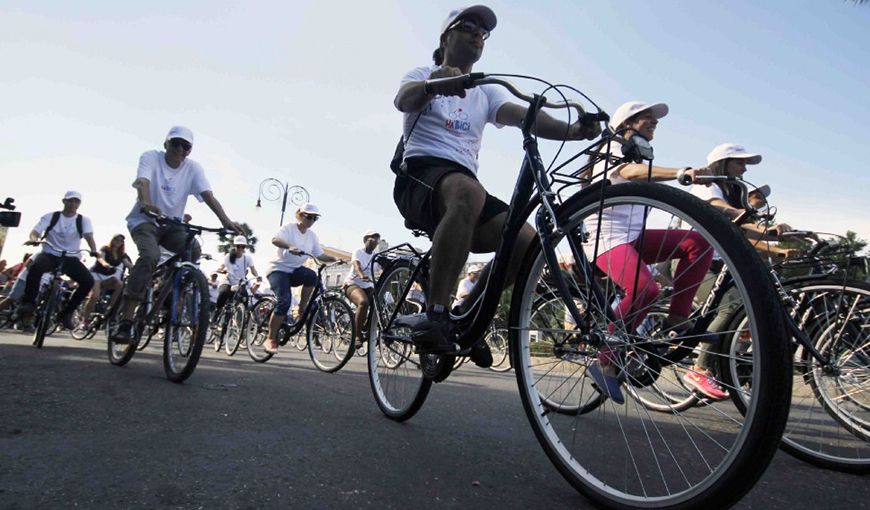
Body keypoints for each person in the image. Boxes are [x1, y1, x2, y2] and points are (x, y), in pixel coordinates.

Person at [392, 5, 600, 367]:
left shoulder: (485, 92)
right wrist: (437, 84)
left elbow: (525, 117)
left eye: (483, 32)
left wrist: (574, 131)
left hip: (462, 187)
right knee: (468, 191)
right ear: (445, 38)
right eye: (468, 26)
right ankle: (436, 314)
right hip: (419, 176)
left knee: (528, 242)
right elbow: (403, 99)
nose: (477, 35)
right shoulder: (423, 73)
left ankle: (467, 315)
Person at [580, 101, 715, 403]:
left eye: (655, 120)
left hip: (634, 237)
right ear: (625, 125)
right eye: (646, 118)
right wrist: (682, 173)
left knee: (699, 241)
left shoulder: (638, 152)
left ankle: (678, 318)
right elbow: (630, 172)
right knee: (645, 289)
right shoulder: (612, 149)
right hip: (605, 239)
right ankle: (605, 361)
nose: (654, 123)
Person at [682, 143, 795, 400]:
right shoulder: (707, 185)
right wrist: (750, 217)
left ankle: (725, 363)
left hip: (719, 263)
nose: (744, 169)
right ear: (722, 164)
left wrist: (777, 234)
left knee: (749, 307)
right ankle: (699, 368)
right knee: (731, 307)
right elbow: (717, 206)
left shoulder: (733, 195)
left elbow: (747, 231)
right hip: (693, 260)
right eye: (739, 163)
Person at [111, 126, 243, 343]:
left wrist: (226, 221)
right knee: (149, 257)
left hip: (172, 225)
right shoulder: (151, 158)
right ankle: (126, 322)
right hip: (145, 220)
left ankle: (168, 292)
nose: (180, 149)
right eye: (176, 143)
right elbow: (143, 182)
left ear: (190, 151)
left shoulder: (193, 169)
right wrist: (146, 203)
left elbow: (208, 195)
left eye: (186, 146)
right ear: (166, 144)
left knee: (193, 249)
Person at [17, 191, 98, 330]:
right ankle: (28, 303)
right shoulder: (51, 217)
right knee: (36, 267)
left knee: (88, 281)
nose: (73, 204)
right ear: (64, 201)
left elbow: (89, 236)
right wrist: (34, 239)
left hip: (71, 258)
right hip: (50, 254)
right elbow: (35, 231)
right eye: (70, 201)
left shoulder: (83, 220)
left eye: (76, 202)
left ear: (79, 204)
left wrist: (93, 250)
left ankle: (66, 313)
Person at [263, 203, 337, 354]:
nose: (311, 220)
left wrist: (335, 259)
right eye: (308, 216)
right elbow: (275, 239)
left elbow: (320, 255)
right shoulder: (289, 228)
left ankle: (302, 308)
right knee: (284, 301)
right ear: (300, 215)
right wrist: (290, 246)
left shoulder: (312, 236)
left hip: (294, 271)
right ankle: (270, 338)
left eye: (314, 218)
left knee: (311, 276)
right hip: (278, 269)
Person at [81, 234, 133, 328]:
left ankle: (110, 308)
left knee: (120, 284)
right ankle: (85, 320)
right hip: (97, 274)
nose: (118, 242)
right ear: (112, 240)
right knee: (95, 296)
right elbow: (100, 257)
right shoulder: (105, 249)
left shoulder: (122, 255)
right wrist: (105, 264)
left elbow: (128, 264)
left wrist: (137, 270)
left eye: (121, 240)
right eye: (116, 239)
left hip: (108, 277)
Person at [344, 230, 381, 347]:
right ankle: (356, 334)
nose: (374, 241)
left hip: (368, 286)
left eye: (377, 239)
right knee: (363, 302)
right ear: (365, 240)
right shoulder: (358, 252)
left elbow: (385, 268)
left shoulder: (376, 256)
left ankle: (369, 329)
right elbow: (356, 265)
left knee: (379, 304)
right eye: (372, 238)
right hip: (352, 284)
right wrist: (361, 275)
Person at [213, 235, 261, 316]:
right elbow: (221, 267)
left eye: (243, 246)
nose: (241, 249)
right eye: (238, 246)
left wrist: (257, 276)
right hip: (228, 281)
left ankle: (241, 321)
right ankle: (217, 311)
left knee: (245, 299)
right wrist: (221, 270)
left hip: (239, 283)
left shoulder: (247, 258)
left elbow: (253, 270)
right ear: (234, 246)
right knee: (223, 293)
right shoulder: (228, 256)